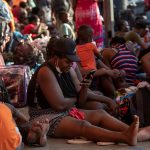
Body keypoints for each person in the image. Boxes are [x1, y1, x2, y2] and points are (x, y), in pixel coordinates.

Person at [27, 37, 150, 146]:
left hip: (65, 110)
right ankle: (125, 137)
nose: (71, 64)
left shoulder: (68, 68)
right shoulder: (45, 72)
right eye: (67, 61)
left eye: (72, 61)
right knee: (83, 126)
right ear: (55, 58)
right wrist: (78, 94)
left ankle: (135, 132)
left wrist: (85, 88)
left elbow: (81, 99)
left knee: (100, 113)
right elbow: (59, 104)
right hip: (44, 116)